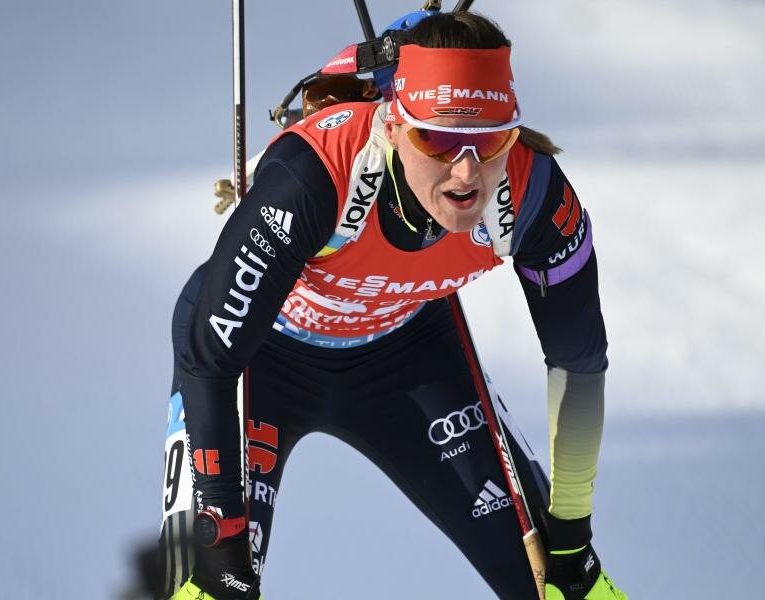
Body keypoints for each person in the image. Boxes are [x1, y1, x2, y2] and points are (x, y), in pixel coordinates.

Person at [157, 10, 628, 600]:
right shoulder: (319, 174)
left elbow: (579, 363)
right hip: (262, 358)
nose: (467, 172)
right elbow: (210, 356)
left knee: (567, 585)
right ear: (396, 124)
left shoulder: (533, 193)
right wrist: (222, 537)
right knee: (208, 587)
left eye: (491, 139)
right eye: (437, 138)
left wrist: (574, 532)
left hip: (406, 354)